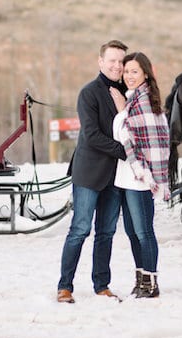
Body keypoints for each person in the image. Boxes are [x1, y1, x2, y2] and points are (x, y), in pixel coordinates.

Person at [57, 39, 129, 304]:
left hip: (116, 175)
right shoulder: (89, 92)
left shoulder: (128, 93)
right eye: (112, 60)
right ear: (101, 62)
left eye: (121, 61)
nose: (117, 66)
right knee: (80, 229)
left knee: (107, 232)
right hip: (89, 172)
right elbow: (91, 135)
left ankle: (102, 285)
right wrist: (125, 150)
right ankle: (65, 287)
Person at [110, 51, 170, 299]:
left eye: (135, 71)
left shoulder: (144, 101)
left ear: (146, 73)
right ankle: (141, 279)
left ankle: (152, 283)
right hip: (126, 175)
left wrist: (122, 111)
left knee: (144, 231)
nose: (129, 76)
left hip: (141, 177)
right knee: (133, 232)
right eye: (126, 72)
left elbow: (152, 142)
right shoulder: (132, 99)